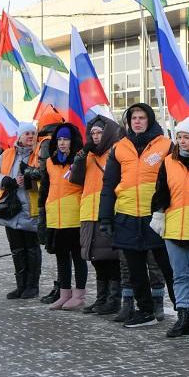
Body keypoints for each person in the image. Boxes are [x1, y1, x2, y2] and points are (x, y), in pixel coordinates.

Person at [99, 103, 175, 328]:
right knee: (135, 269)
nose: (138, 122)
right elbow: (109, 183)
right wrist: (105, 217)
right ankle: (145, 311)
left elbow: (174, 180)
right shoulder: (119, 148)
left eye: (142, 117)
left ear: (149, 120)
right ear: (128, 122)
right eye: (134, 118)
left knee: (167, 268)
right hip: (127, 215)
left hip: (156, 216)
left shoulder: (166, 145)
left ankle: (184, 311)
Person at [151, 117, 189, 338]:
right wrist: (158, 214)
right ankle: (182, 317)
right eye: (179, 137)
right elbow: (160, 191)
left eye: (186, 137)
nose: (182, 141)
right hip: (174, 226)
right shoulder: (168, 162)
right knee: (179, 276)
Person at [68, 115, 124, 315]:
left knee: (111, 258)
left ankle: (113, 299)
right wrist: (82, 154)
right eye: (92, 133)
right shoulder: (89, 155)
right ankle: (101, 299)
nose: (96, 136)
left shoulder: (116, 151)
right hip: (88, 212)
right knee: (96, 258)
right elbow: (75, 178)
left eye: (99, 132)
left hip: (107, 211)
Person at [0, 122, 41, 299]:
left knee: (31, 249)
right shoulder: (8, 154)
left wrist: (31, 181)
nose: (30, 136)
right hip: (11, 209)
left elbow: (46, 178)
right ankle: (21, 285)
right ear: (19, 136)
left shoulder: (39, 154)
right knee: (17, 249)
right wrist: (5, 180)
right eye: (27, 133)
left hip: (30, 208)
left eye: (33, 133)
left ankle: (32, 286)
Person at [39, 123, 88, 310]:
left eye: (66, 139)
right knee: (61, 258)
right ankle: (64, 293)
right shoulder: (50, 162)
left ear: (72, 141)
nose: (62, 143)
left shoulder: (79, 161)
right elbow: (46, 188)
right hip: (55, 217)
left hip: (74, 216)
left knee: (78, 258)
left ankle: (79, 295)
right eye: (59, 139)